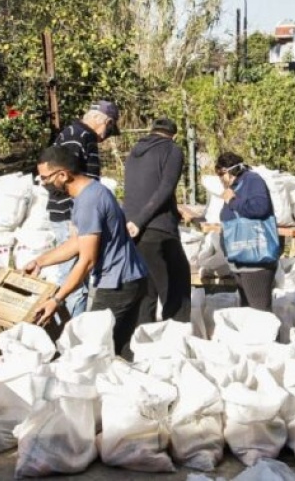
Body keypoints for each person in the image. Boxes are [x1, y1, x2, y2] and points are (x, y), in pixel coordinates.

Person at [25, 145, 147, 355]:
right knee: (120, 348)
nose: (43, 183)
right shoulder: (91, 192)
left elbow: (87, 260)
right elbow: (77, 243)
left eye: (45, 178)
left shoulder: (89, 201)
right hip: (130, 278)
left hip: (118, 285)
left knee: (94, 350)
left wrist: (56, 299)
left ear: (62, 175)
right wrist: (40, 261)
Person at [48, 100, 121, 318]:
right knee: (75, 278)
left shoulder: (76, 133)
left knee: (77, 274)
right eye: (109, 130)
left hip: (76, 214)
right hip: (72, 216)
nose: (105, 137)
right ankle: (73, 334)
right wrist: (74, 219)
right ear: (105, 122)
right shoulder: (79, 136)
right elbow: (64, 177)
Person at [124, 117, 191, 324]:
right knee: (177, 285)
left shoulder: (134, 152)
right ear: (174, 135)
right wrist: (142, 220)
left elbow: (145, 189)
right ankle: (177, 336)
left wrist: (135, 221)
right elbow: (165, 188)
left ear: (152, 131)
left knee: (148, 290)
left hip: (133, 229)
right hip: (158, 229)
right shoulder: (172, 150)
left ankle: (143, 341)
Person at [216, 152, 278, 312]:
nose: (220, 179)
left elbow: (260, 207)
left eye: (221, 174)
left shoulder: (252, 181)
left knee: (260, 312)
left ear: (229, 171)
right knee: (248, 313)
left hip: (255, 262)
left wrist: (233, 201)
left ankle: (269, 338)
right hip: (240, 260)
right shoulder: (237, 185)